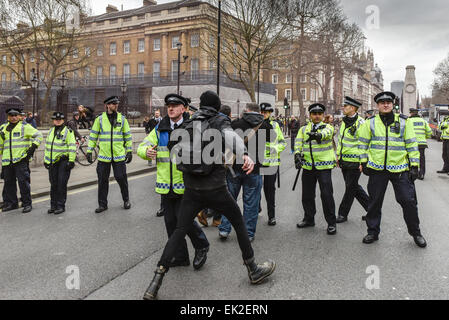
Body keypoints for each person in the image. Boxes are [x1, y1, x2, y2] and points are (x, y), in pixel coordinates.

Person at [142, 91, 275, 300]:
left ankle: (155, 283)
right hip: (215, 189)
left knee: (178, 232)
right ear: (217, 106)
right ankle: (253, 269)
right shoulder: (219, 120)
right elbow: (232, 138)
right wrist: (245, 156)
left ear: (201, 105)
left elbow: (172, 148)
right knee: (239, 222)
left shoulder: (189, 123)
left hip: (191, 190)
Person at [137, 93, 210, 269]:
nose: (170, 108)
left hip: (186, 184)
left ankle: (201, 246)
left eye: (175, 105)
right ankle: (181, 256)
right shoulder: (160, 127)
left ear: (183, 109)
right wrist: (145, 152)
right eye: (168, 105)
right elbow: (142, 145)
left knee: (184, 221)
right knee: (170, 223)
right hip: (166, 185)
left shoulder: (191, 127)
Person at [358, 91, 427, 248]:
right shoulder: (370, 122)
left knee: (408, 201)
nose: (386, 104)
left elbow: (411, 143)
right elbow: (362, 144)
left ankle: (416, 232)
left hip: (400, 168)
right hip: (377, 169)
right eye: (382, 102)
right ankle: (372, 232)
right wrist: (364, 161)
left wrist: (414, 166)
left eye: (388, 102)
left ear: (392, 104)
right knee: (374, 203)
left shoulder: (404, 122)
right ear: (378, 105)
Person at [218, 102, 268, 242]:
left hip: (234, 167)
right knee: (251, 203)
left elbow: (226, 142)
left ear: (246, 110)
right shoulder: (264, 125)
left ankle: (224, 229)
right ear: (258, 112)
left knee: (229, 200)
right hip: (254, 168)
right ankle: (249, 233)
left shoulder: (235, 124)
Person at [295, 103, 337, 235]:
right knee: (307, 195)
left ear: (323, 115)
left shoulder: (328, 127)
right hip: (308, 166)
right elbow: (298, 143)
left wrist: (318, 135)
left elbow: (327, 134)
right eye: (314, 114)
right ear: (310, 115)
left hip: (323, 166)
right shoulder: (303, 129)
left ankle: (331, 223)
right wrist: (297, 155)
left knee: (326, 195)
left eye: (319, 114)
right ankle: (309, 218)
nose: (317, 116)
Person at [87, 96, 132, 213]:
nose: (115, 105)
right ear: (107, 105)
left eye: (116, 103)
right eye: (113, 104)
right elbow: (93, 136)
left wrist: (130, 151)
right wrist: (89, 150)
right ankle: (102, 204)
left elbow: (127, 136)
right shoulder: (100, 119)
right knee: (102, 180)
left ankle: (126, 199)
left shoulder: (122, 119)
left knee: (121, 178)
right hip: (104, 156)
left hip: (119, 155)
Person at [0, 108, 43, 213]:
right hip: (7, 161)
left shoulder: (25, 127)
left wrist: (32, 148)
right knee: (9, 184)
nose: (14, 117)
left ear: (19, 116)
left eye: (16, 115)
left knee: (23, 183)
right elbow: (1, 145)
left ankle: (27, 203)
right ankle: (11, 204)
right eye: (11, 115)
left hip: (20, 160)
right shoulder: (3, 128)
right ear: (8, 116)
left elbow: (39, 135)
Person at [336, 97, 369, 223]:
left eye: (346, 106)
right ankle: (372, 209)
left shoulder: (361, 123)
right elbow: (341, 140)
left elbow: (364, 143)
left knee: (350, 188)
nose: (343, 108)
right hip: (344, 160)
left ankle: (342, 214)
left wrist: (362, 162)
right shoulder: (344, 121)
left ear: (353, 108)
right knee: (354, 187)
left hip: (355, 161)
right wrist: (338, 156)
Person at [44, 112, 76, 215]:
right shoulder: (50, 131)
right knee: (53, 184)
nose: (57, 121)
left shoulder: (68, 132)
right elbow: (48, 147)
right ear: (53, 120)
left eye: (60, 119)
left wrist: (71, 161)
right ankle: (53, 206)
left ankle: (60, 206)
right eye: (55, 119)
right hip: (53, 162)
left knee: (61, 184)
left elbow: (72, 147)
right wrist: (46, 160)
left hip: (63, 161)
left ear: (63, 120)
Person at [260, 102, 286, 226]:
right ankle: (256, 208)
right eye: (262, 112)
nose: (264, 114)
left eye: (266, 112)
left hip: (271, 162)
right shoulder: (255, 124)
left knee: (269, 189)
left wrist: (275, 149)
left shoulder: (275, 125)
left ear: (270, 113)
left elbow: (282, 142)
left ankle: (272, 216)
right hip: (258, 162)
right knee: (255, 187)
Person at [409, 108, 432, 180]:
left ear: (411, 113)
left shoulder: (408, 121)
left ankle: (411, 173)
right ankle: (421, 174)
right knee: (422, 159)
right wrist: (425, 137)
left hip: (412, 143)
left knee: (411, 158)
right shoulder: (423, 121)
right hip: (422, 143)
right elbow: (429, 132)